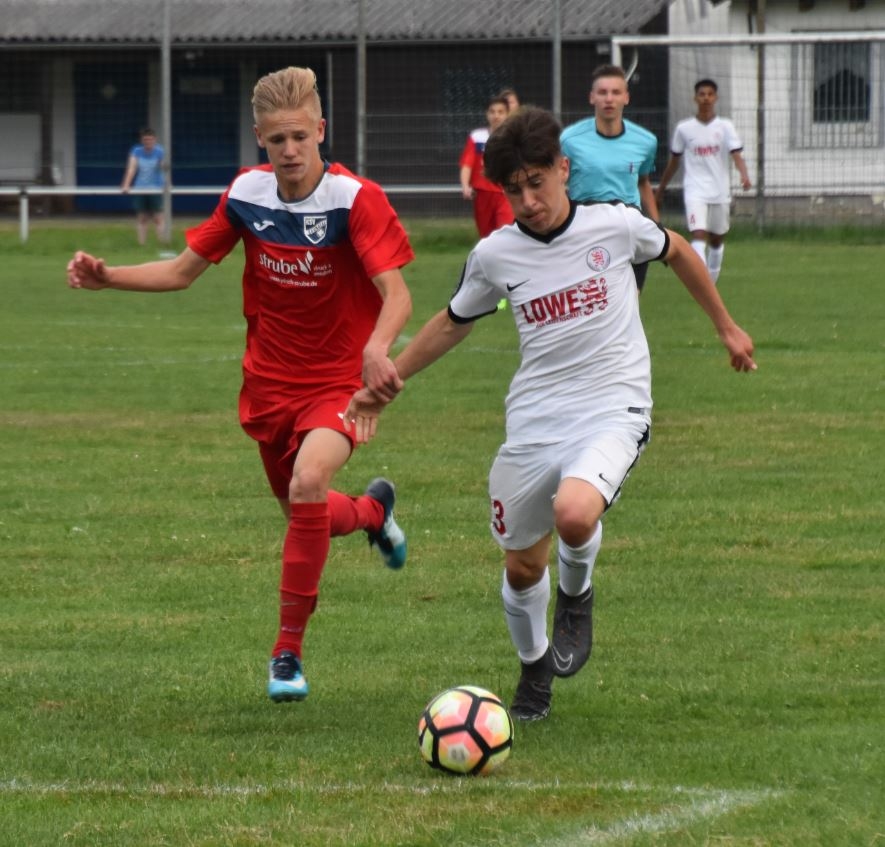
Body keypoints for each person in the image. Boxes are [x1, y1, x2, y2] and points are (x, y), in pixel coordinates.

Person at [343, 107, 756, 722]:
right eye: (514, 190)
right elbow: (453, 322)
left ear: (564, 169)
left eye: (538, 182)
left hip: (614, 404)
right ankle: (534, 669)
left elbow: (676, 252)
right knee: (519, 567)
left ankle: (576, 594)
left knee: (574, 512)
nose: (529, 201)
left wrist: (726, 326)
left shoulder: (615, 224)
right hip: (536, 417)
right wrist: (390, 380)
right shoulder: (496, 254)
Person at [67, 66, 414, 704]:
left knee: (309, 484)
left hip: (337, 382)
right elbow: (181, 272)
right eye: (277, 139)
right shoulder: (247, 195)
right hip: (269, 386)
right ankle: (372, 512)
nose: (290, 150)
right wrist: (108, 276)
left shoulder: (354, 200)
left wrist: (376, 349)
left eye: (300, 137)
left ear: (321, 130)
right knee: (306, 514)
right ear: (260, 138)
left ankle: (287, 654)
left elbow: (397, 293)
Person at [560, 64, 660, 292]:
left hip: (630, 229)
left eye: (615, 92)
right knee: (591, 300)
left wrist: (656, 226)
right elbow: (558, 184)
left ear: (626, 97)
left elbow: (643, 182)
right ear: (592, 97)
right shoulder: (569, 140)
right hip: (585, 231)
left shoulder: (645, 141)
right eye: (602, 92)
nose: (609, 99)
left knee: (631, 300)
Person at [654, 78, 752, 284]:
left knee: (716, 240)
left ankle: (711, 282)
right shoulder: (684, 128)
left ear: (715, 98)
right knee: (698, 235)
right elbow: (674, 161)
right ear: (695, 98)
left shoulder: (725, 126)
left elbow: (736, 154)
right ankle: (702, 283)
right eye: (702, 94)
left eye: (710, 94)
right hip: (695, 191)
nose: (706, 98)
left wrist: (744, 174)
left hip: (719, 191)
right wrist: (661, 189)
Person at [459, 95, 515, 239]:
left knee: (505, 232)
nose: (496, 116)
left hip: (505, 193)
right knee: (486, 237)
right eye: (492, 112)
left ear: (507, 114)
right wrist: (465, 186)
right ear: (487, 114)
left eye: (500, 112)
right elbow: (467, 164)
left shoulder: (513, 138)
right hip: (483, 194)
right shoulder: (477, 137)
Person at [121, 128, 167, 245]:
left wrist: (167, 184)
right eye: (146, 140)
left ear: (154, 140)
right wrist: (126, 185)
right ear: (142, 140)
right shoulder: (136, 151)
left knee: (158, 217)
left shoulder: (160, 151)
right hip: (140, 188)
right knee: (142, 218)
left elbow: (164, 170)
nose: (148, 142)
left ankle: (162, 243)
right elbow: (131, 168)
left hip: (156, 189)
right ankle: (142, 244)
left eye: (150, 139)